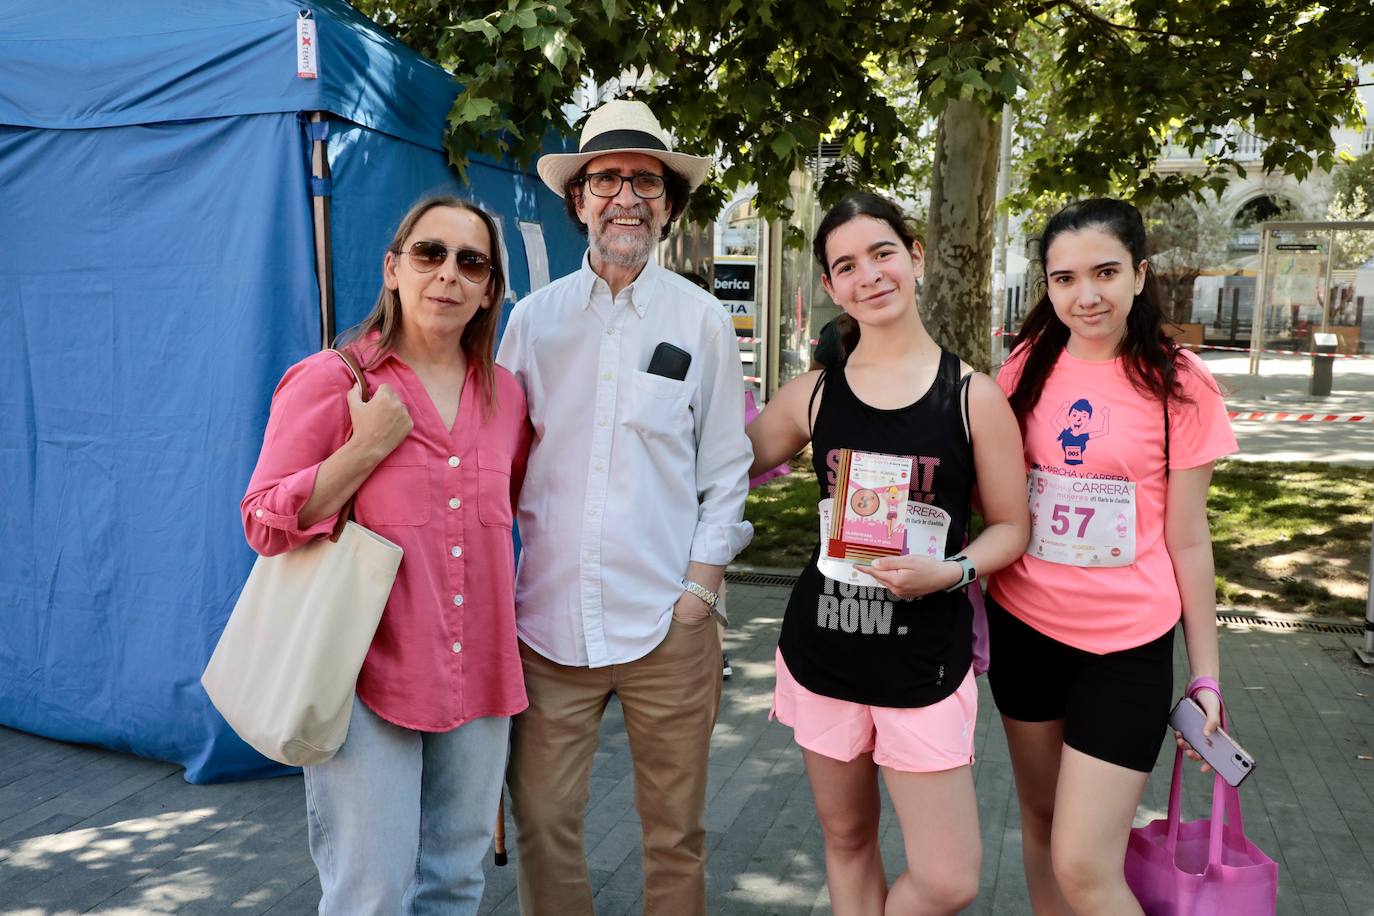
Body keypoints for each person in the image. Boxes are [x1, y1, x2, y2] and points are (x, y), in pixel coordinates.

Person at [496, 99, 753, 915]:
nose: (626, 197)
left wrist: (699, 595)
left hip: (668, 626)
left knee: (674, 835)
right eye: (606, 178)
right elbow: (497, 466)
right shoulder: (531, 324)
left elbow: (726, 467)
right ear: (578, 201)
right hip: (547, 628)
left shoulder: (703, 320)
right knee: (542, 822)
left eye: (646, 180)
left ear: (670, 205)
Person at [241, 195, 530, 914]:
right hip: (367, 675)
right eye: (430, 253)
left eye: (472, 262)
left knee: (458, 881)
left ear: (490, 288)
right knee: (371, 892)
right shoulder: (334, 380)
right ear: (393, 267)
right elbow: (264, 520)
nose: (448, 275)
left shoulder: (509, 398)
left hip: (479, 672)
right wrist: (365, 447)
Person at [746, 191, 1030, 915]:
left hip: (924, 664)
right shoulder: (814, 394)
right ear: (831, 287)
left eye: (882, 253)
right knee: (845, 841)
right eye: (846, 265)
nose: (869, 275)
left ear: (916, 259)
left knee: (948, 878)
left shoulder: (973, 398)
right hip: (824, 654)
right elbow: (721, 463)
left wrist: (954, 569)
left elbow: (1010, 527)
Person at [987, 198, 1238, 915]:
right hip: (1024, 631)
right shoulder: (1025, 369)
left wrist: (1207, 678)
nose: (1085, 294)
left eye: (1104, 272)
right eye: (1064, 279)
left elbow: (1189, 538)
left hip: (1126, 647)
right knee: (1039, 827)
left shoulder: (1180, 383)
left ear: (1140, 274)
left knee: (1085, 864)